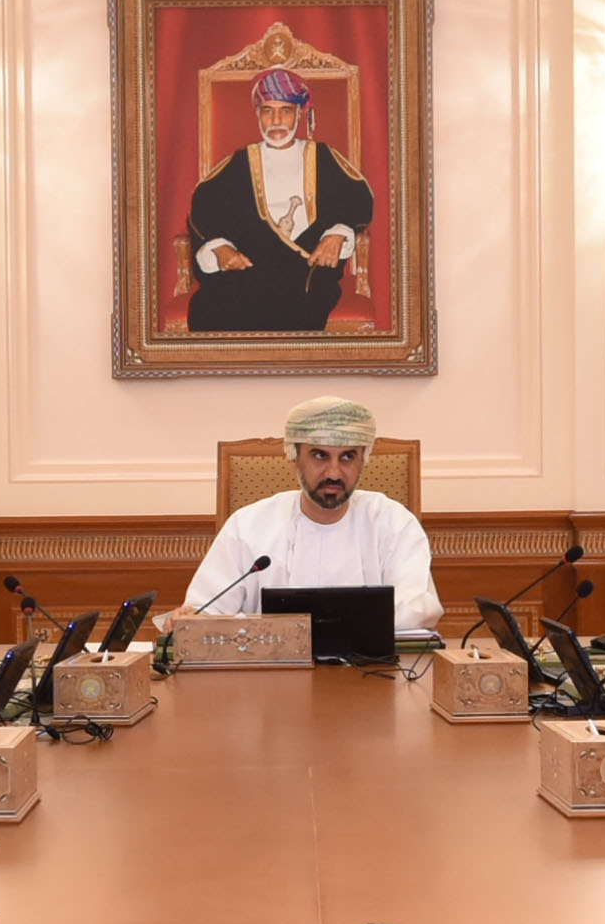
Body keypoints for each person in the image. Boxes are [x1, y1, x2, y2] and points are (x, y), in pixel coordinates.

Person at [191, 395, 440, 634]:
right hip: (271, 665)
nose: (334, 473)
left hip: (373, 663)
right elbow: (204, 615)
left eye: (348, 457)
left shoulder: (393, 523)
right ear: (294, 457)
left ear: (363, 460)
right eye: (320, 455)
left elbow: (416, 610)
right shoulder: (247, 526)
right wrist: (191, 619)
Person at [182, 65, 370, 334]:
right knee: (212, 306)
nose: (276, 121)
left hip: (306, 267)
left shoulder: (323, 157)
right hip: (252, 267)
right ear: (257, 114)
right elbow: (204, 209)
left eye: (286, 111)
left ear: (299, 114)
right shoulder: (240, 163)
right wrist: (220, 248)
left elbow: (357, 199)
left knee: (295, 301)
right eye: (268, 111)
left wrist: (338, 233)